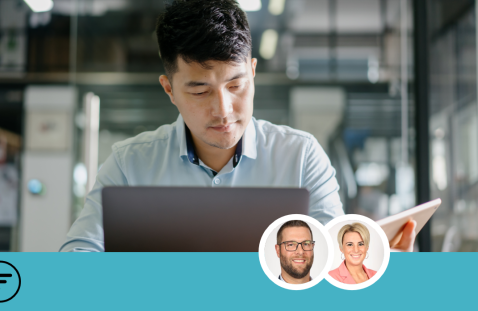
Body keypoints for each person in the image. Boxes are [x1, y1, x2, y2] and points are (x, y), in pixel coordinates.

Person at [59, 0, 416, 252]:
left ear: (254, 72)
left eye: (236, 85)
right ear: (169, 89)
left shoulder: (301, 156)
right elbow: (77, 256)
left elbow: (330, 260)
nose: (223, 109)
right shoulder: (129, 164)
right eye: (200, 89)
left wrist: (372, 262)